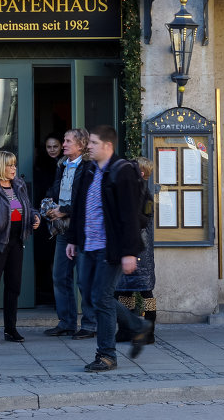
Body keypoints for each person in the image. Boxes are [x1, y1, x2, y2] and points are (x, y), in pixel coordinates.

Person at [66, 125, 152, 372]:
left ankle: (106, 355)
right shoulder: (88, 169)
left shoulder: (122, 171)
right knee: (94, 297)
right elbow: (79, 206)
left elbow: (129, 216)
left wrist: (129, 251)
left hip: (110, 247)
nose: (89, 146)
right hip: (89, 245)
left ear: (107, 146)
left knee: (102, 298)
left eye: (93, 143)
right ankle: (137, 326)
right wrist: (73, 238)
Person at [0, 150, 39, 344]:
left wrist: (35, 218)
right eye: (10, 165)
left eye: (14, 164)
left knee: (14, 286)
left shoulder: (18, 185)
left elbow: (28, 207)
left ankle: (11, 329)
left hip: (16, 240)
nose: (14, 169)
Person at [42, 128, 96, 339]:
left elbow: (88, 200)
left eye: (67, 141)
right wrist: (49, 206)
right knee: (60, 275)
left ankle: (90, 324)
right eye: (64, 140)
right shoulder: (61, 165)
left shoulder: (89, 166)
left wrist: (65, 211)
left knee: (84, 279)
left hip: (83, 230)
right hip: (64, 229)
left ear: (81, 145)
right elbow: (56, 191)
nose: (63, 144)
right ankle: (66, 322)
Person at [114, 156, 156, 344]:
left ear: (141, 173)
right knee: (125, 291)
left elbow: (144, 219)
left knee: (145, 292)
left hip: (140, 249)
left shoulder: (145, 193)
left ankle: (149, 331)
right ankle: (126, 330)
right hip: (131, 246)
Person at [32, 133, 63, 305]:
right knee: (44, 254)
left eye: (55, 146)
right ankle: (46, 291)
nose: (52, 150)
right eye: (49, 147)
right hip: (43, 215)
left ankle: (149, 313)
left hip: (61, 214)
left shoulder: (65, 165)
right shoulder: (40, 165)